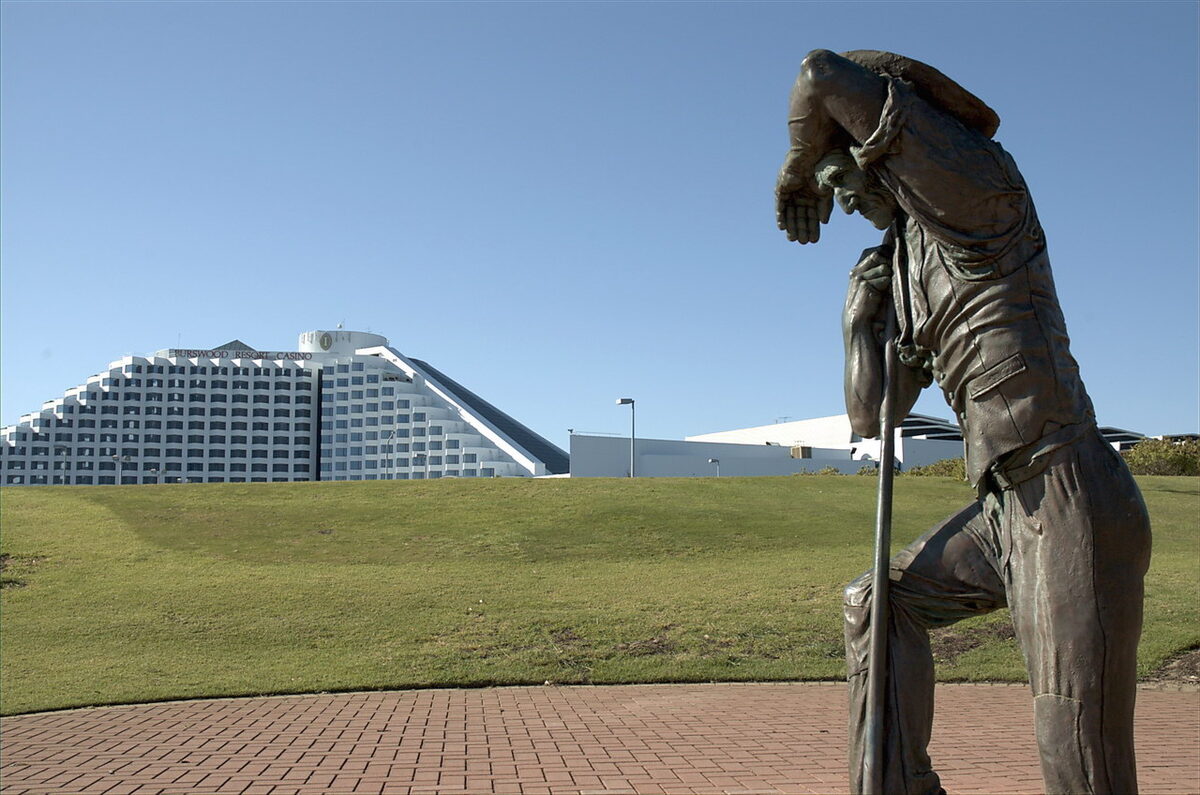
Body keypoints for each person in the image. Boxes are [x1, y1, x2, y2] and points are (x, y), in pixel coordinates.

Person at [775, 49, 1151, 795]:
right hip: (1005, 509)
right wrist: (859, 323)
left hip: (1066, 488)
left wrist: (793, 166)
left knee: (1074, 746)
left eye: (842, 175)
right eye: (827, 187)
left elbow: (820, 74)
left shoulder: (978, 190)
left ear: (887, 152)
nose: (842, 200)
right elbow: (872, 413)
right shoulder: (907, 260)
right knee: (876, 601)